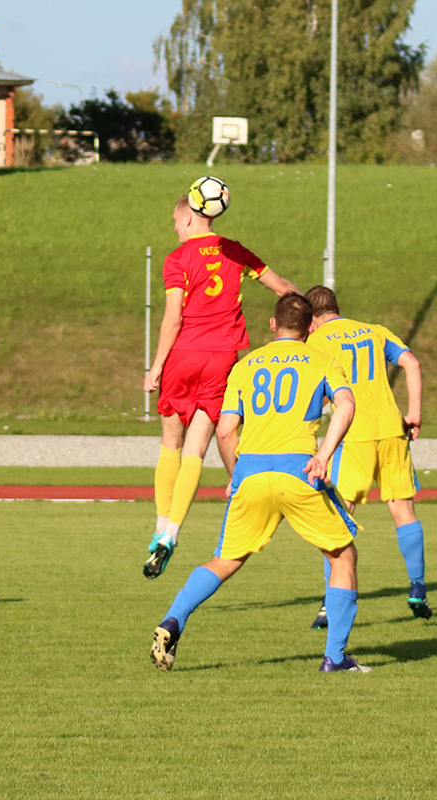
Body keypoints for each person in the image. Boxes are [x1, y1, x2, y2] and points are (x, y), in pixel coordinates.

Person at [150, 294, 368, 673]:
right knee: (342, 555)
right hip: (298, 471)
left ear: (272, 324)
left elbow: (225, 431)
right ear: (311, 327)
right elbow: (346, 405)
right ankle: (335, 658)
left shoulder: (245, 366)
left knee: (227, 559)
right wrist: (324, 455)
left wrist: (235, 475)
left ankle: (173, 619)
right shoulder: (322, 360)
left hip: (250, 473)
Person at [142, 191, 299, 578]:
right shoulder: (235, 251)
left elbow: (173, 318)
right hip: (223, 359)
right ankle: (172, 534)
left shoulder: (177, 259)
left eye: (176, 221)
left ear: (189, 217)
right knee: (196, 448)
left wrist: (156, 366)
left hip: (184, 354)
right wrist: (314, 312)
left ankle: (160, 528)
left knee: (171, 443)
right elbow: (282, 287)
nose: (175, 228)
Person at [303, 285, 431, 623]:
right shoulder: (374, 331)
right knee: (404, 513)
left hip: (354, 435)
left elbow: (317, 390)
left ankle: (330, 603)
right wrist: (414, 414)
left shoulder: (318, 341)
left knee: (338, 518)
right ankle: (417, 587)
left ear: (312, 319)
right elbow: (412, 363)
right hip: (391, 429)